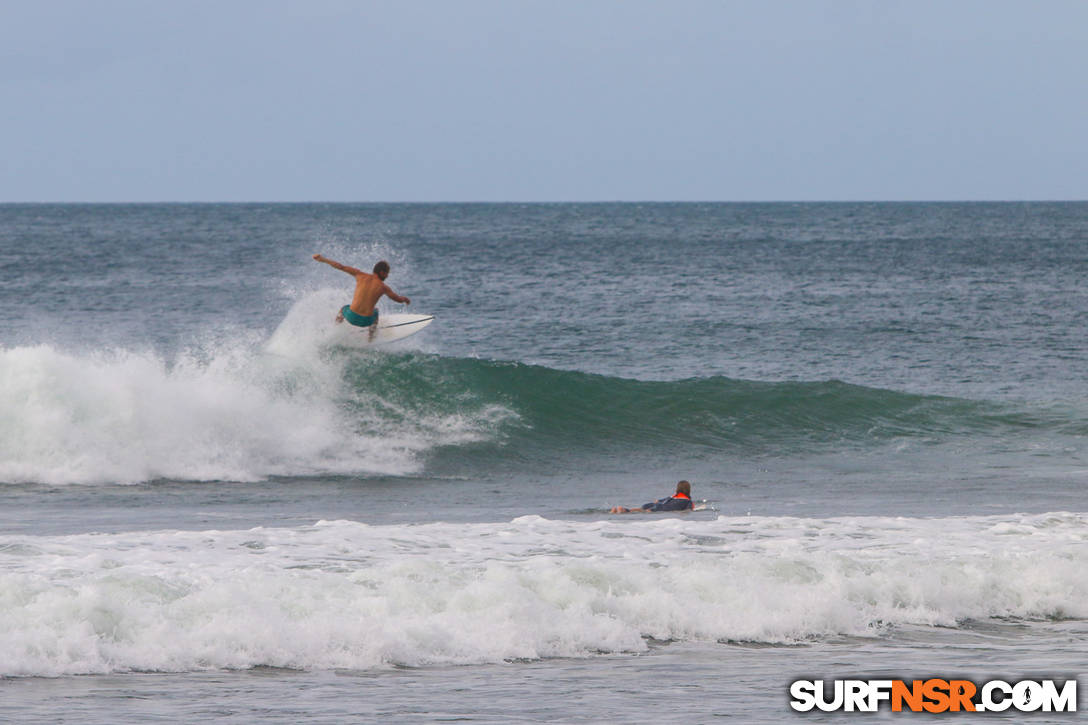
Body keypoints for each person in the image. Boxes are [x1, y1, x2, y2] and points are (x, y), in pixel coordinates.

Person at [312, 254, 411, 336]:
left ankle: (333, 331)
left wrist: (323, 259)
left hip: (351, 317)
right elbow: (396, 298)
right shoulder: (383, 287)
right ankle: (371, 338)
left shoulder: (360, 275)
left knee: (343, 309)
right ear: (382, 272)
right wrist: (404, 299)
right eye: (387, 274)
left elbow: (341, 266)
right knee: (376, 311)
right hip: (366, 321)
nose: (387, 276)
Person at [610, 480, 694, 514]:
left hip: (658, 504)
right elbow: (689, 509)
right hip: (662, 508)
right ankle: (623, 511)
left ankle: (622, 509)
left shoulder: (673, 496)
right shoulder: (687, 500)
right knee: (645, 511)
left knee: (640, 509)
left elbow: (658, 501)